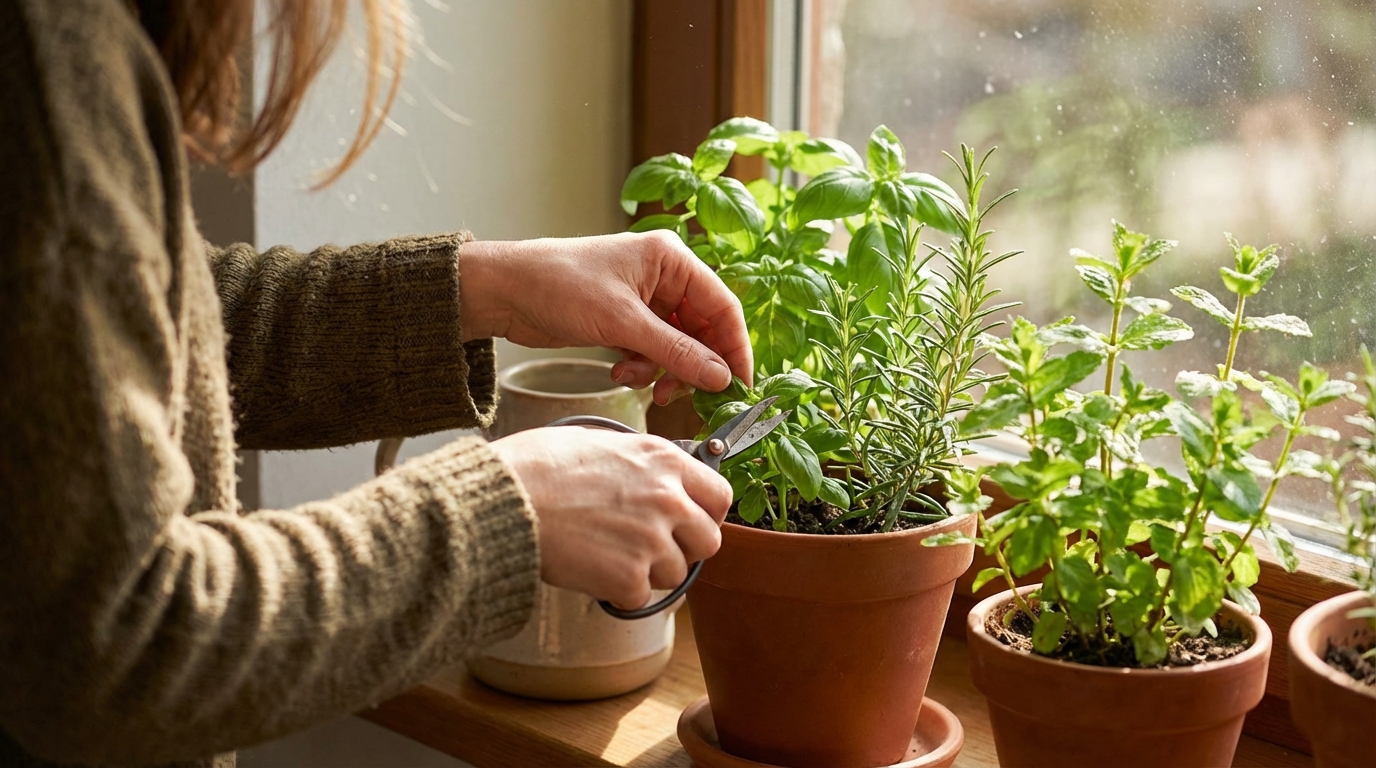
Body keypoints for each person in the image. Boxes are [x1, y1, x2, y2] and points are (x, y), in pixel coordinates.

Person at [0, 1, 752, 766]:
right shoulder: (44, 55)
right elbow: (110, 646)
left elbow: (137, 328)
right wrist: (506, 512)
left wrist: (482, 289)